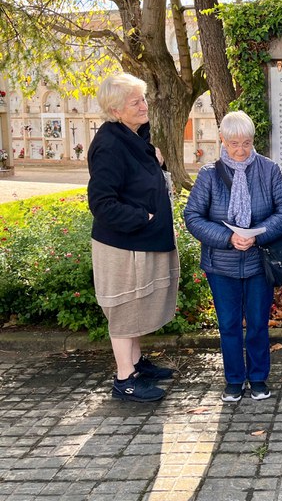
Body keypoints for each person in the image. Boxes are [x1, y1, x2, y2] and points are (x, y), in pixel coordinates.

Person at [184, 111, 282, 403]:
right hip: (221, 264)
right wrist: (228, 238)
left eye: (246, 143)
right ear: (222, 140)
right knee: (229, 324)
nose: (241, 150)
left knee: (258, 323)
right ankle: (234, 379)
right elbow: (193, 216)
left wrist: (258, 234)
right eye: (234, 143)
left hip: (259, 262)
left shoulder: (269, 170)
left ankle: (258, 377)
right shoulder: (209, 174)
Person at [87, 73, 180, 402]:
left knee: (137, 306)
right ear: (115, 111)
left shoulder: (135, 136)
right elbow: (101, 203)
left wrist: (157, 160)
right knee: (126, 308)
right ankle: (125, 378)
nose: (144, 106)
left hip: (142, 240)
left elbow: (140, 179)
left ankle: (137, 364)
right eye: (135, 102)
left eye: (143, 99)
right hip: (122, 245)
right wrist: (144, 217)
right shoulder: (109, 145)